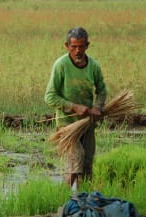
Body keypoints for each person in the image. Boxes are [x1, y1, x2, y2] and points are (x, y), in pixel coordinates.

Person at [44, 26, 107, 191]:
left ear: (87, 45)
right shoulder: (61, 65)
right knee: (76, 158)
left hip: (87, 123)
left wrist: (97, 107)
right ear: (67, 46)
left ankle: (84, 198)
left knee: (87, 165)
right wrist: (74, 107)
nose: (77, 50)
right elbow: (50, 96)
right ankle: (68, 199)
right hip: (67, 124)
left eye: (81, 46)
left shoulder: (93, 66)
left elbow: (102, 91)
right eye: (73, 47)